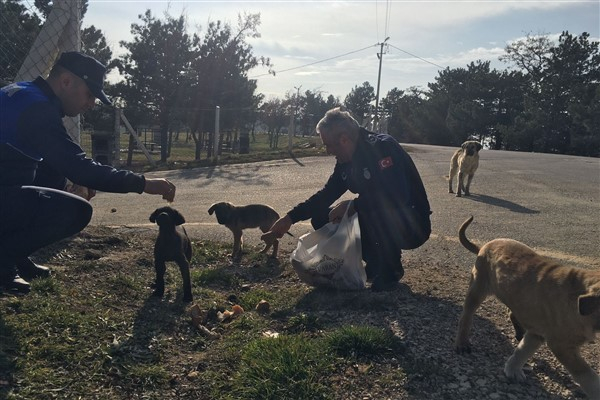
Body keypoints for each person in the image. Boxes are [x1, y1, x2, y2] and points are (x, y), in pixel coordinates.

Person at [0, 51, 176, 294]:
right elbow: (79, 166)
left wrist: (72, 180)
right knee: (76, 211)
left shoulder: (24, 93)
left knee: (53, 175)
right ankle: (4, 259)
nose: (91, 104)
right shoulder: (38, 110)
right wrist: (143, 183)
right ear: (66, 82)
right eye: (90, 94)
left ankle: (15, 254)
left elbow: (57, 161)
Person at [266, 107, 432, 292]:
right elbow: (325, 195)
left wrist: (354, 205)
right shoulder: (345, 161)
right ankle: (375, 263)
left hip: (411, 224)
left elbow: (398, 196)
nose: (328, 151)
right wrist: (289, 218)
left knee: (372, 211)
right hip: (382, 215)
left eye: (328, 144)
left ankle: (390, 269)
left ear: (344, 139)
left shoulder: (382, 147)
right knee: (323, 217)